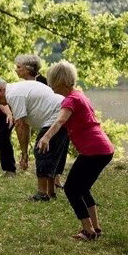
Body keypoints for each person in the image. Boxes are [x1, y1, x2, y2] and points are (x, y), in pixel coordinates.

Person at [37, 61, 115, 241]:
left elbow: (59, 121)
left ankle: (88, 231)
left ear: (59, 81)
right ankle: (95, 228)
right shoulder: (79, 95)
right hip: (103, 149)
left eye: (51, 80)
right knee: (83, 188)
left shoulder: (70, 100)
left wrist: (46, 137)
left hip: (93, 150)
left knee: (72, 189)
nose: (50, 85)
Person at [0, 76, 67, 201]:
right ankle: (51, 192)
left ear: (0, 91)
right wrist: (25, 152)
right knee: (51, 155)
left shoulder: (14, 96)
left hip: (56, 116)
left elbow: (21, 125)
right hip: (61, 113)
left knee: (41, 151)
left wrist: (24, 153)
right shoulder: (17, 89)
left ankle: (42, 193)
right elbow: (26, 125)